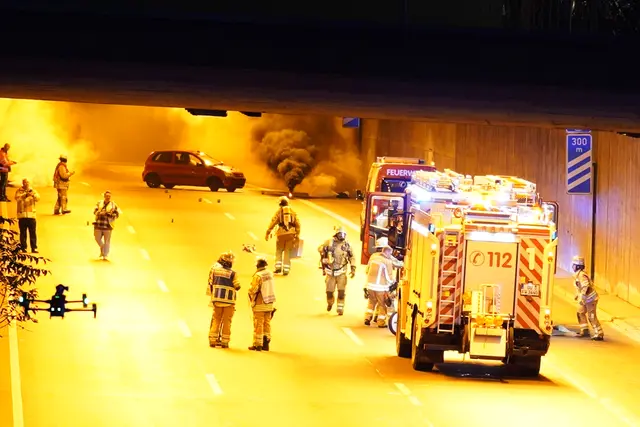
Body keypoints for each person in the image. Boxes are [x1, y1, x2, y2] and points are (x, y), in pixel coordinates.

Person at [318, 226, 356, 315]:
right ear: (336, 234)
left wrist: (353, 268)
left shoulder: (347, 245)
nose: (342, 236)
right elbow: (319, 248)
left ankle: (340, 308)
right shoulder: (329, 242)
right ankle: (330, 302)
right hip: (330, 272)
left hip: (341, 272)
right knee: (329, 292)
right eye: (340, 234)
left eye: (343, 234)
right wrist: (325, 249)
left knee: (341, 292)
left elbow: (352, 257)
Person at [207, 252, 241, 348]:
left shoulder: (215, 271)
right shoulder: (233, 273)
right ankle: (225, 342)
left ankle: (212, 340)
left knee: (216, 320)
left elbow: (211, 282)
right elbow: (237, 286)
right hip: (229, 302)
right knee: (227, 322)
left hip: (217, 300)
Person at [265, 196, 300, 276]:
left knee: (279, 251)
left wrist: (268, 232)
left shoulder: (279, 212)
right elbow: (298, 224)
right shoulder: (292, 212)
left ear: (280, 204)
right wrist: (297, 235)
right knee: (288, 252)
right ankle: (286, 270)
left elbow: (273, 223)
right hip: (291, 235)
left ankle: (278, 268)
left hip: (281, 235)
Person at [572, 255, 604, 341]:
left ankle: (599, 333)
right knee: (580, 312)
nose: (573, 267)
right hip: (585, 299)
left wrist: (582, 297)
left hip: (591, 299)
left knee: (591, 316)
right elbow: (579, 287)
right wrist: (577, 295)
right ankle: (585, 330)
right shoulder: (578, 275)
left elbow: (586, 286)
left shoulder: (582, 275)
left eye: (574, 265)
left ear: (577, 266)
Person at [248, 256, 276, 352]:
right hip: (270, 302)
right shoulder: (270, 273)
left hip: (260, 303)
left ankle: (258, 344)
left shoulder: (258, 275)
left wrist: (249, 291)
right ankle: (266, 344)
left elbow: (253, 289)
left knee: (258, 324)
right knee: (267, 323)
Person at [364, 244, 396, 328]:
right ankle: (381, 322)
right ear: (387, 252)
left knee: (371, 302)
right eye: (390, 253)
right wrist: (394, 282)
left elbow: (367, 270)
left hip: (370, 286)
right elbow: (389, 277)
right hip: (380, 288)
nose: (391, 255)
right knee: (382, 305)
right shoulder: (387, 261)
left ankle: (367, 318)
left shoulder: (373, 258)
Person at [93, 191, 121, 260]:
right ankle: (103, 248)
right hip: (99, 224)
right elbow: (94, 211)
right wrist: (99, 213)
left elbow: (117, 214)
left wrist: (110, 214)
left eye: (109, 196)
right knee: (97, 238)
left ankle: (105, 254)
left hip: (108, 226)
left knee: (107, 241)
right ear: (104, 196)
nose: (108, 197)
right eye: (107, 196)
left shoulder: (113, 205)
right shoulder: (99, 203)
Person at [14, 178, 40, 253]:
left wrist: (33, 195)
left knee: (33, 233)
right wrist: (25, 195)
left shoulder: (33, 191)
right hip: (22, 216)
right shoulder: (19, 191)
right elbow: (17, 198)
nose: (26, 184)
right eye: (25, 182)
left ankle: (34, 247)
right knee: (23, 233)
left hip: (31, 216)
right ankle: (23, 247)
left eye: (27, 182)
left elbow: (38, 198)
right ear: (23, 183)